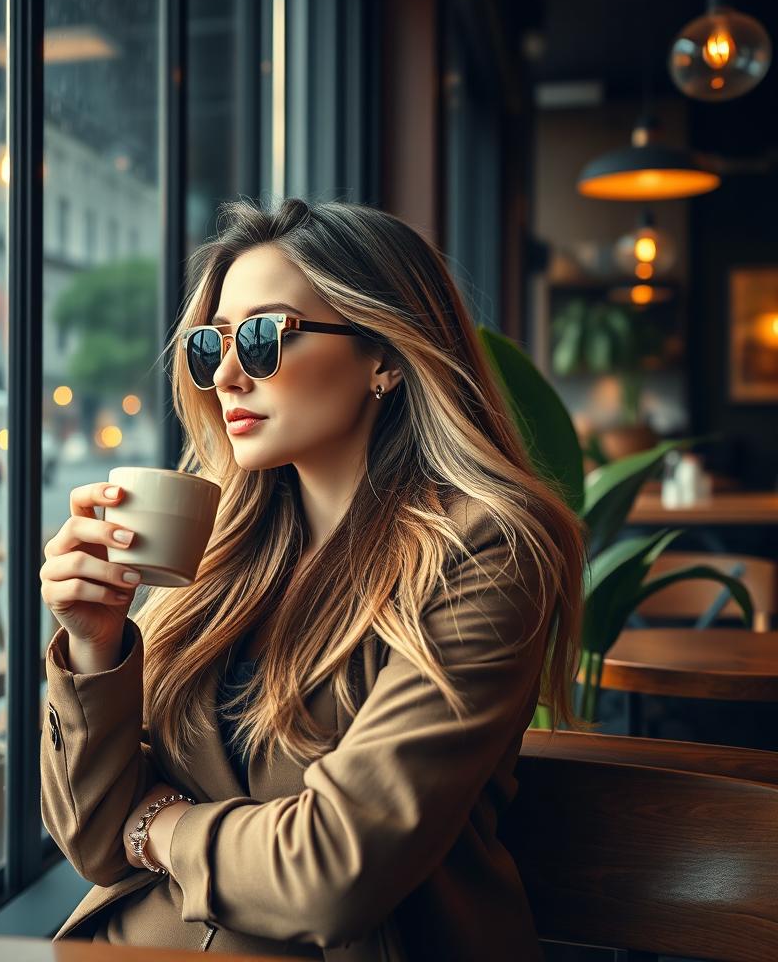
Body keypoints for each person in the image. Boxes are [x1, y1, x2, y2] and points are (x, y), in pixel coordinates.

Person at [38, 197, 589, 959]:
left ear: (386, 357)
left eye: (262, 338)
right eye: (210, 345)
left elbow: (332, 871)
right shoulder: (222, 545)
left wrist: (157, 825)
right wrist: (95, 646)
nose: (226, 375)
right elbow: (94, 841)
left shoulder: (487, 549)